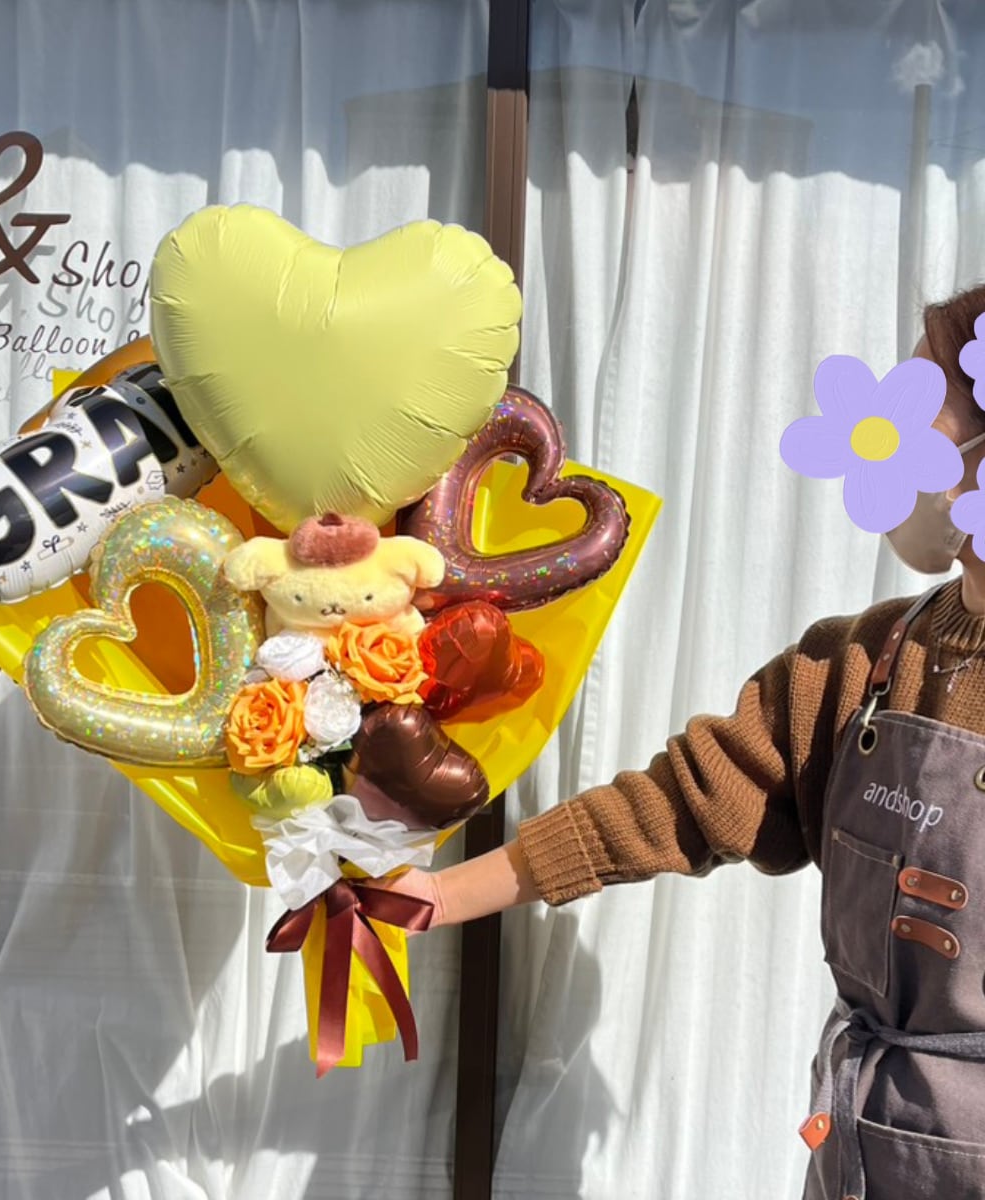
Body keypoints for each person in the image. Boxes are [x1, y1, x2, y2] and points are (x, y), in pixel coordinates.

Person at [381, 286, 985, 1199]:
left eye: (921, 396)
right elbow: (673, 804)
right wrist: (435, 895)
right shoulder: (863, 664)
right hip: (868, 1152)